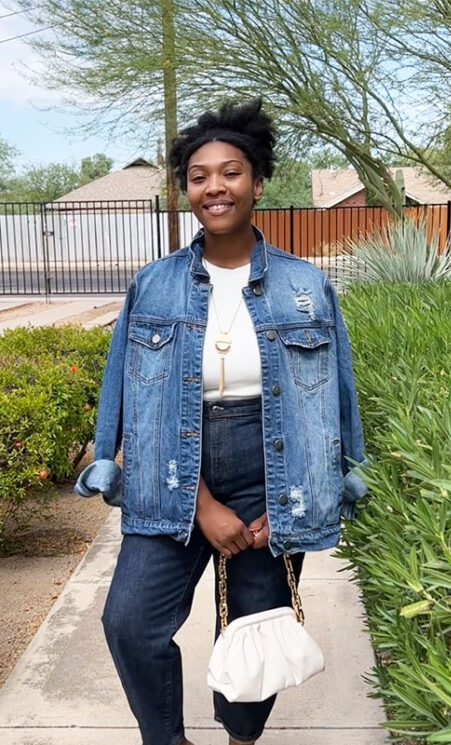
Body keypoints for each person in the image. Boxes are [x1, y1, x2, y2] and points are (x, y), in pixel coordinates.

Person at [74, 99, 367, 745]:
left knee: (252, 630)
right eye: (200, 175)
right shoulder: (152, 285)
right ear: (187, 190)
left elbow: (334, 402)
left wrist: (306, 495)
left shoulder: (305, 284)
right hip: (177, 470)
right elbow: (124, 395)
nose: (215, 186)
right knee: (130, 622)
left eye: (231, 172)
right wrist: (200, 502)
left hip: (273, 472)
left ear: (257, 182)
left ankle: (240, 740)